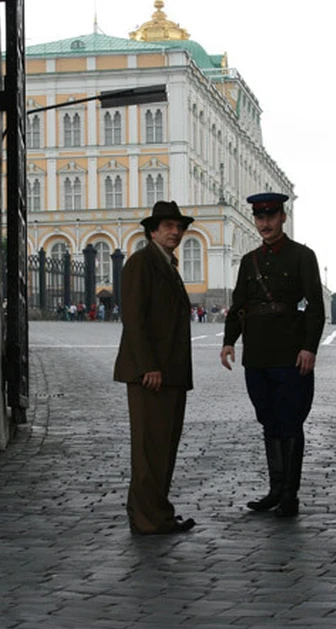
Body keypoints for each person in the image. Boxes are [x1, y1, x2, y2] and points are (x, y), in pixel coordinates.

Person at [220, 193, 326, 517]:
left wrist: (309, 347)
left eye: (271, 216)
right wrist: (228, 341)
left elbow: (315, 307)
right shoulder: (250, 260)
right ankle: (275, 488)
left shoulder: (302, 256)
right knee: (269, 421)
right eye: (259, 217)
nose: (264, 223)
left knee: (290, 423)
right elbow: (239, 304)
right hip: (258, 355)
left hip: (290, 354)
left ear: (282, 217)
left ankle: (290, 494)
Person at [113, 201, 196, 534]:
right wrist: (149, 365)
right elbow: (133, 318)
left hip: (171, 373)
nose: (175, 232)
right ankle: (148, 519)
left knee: (163, 447)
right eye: (168, 227)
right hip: (151, 374)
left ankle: (155, 511)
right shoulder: (141, 263)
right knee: (150, 448)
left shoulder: (167, 264)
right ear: (152, 231)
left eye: (179, 227)